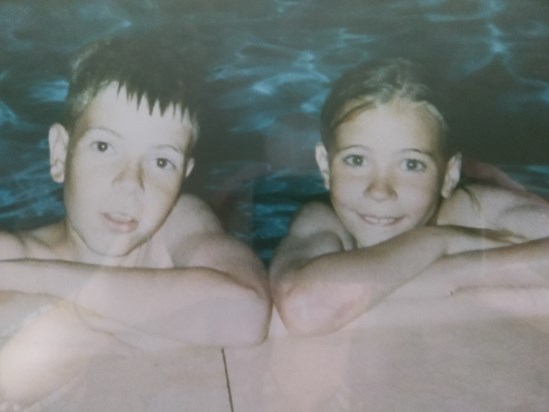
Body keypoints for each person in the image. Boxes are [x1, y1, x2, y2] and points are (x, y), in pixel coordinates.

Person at [0, 34, 270, 405]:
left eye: (161, 162)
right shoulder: (10, 250)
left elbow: (246, 316)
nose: (131, 183)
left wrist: (31, 279)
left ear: (184, 176)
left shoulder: (177, 222)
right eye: (104, 146)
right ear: (60, 153)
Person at [270, 58, 549, 336]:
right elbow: (305, 309)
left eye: (411, 164)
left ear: (449, 174)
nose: (379, 190)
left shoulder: (470, 208)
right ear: (324, 165)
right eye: (356, 160)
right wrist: (442, 242)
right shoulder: (322, 221)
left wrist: (448, 269)